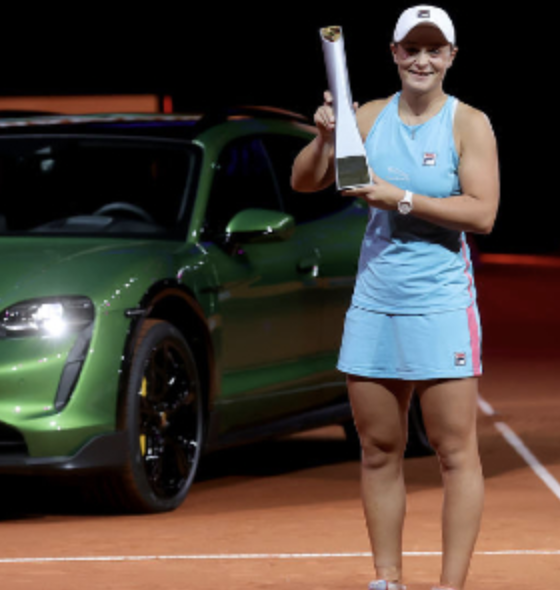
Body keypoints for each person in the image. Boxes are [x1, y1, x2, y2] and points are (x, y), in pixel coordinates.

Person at [291, 5, 500, 590]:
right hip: (375, 301)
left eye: (434, 49)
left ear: (451, 57)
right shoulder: (368, 116)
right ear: (394, 53)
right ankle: (387, 579)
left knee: (454, 451)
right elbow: (306, 180)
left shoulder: (469, 124)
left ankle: (450, 586)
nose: (422, 60)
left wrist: (400, 198)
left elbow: (482, 213)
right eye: (412, 48)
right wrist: (326, 138)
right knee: (379, 448)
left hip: (440, 303)